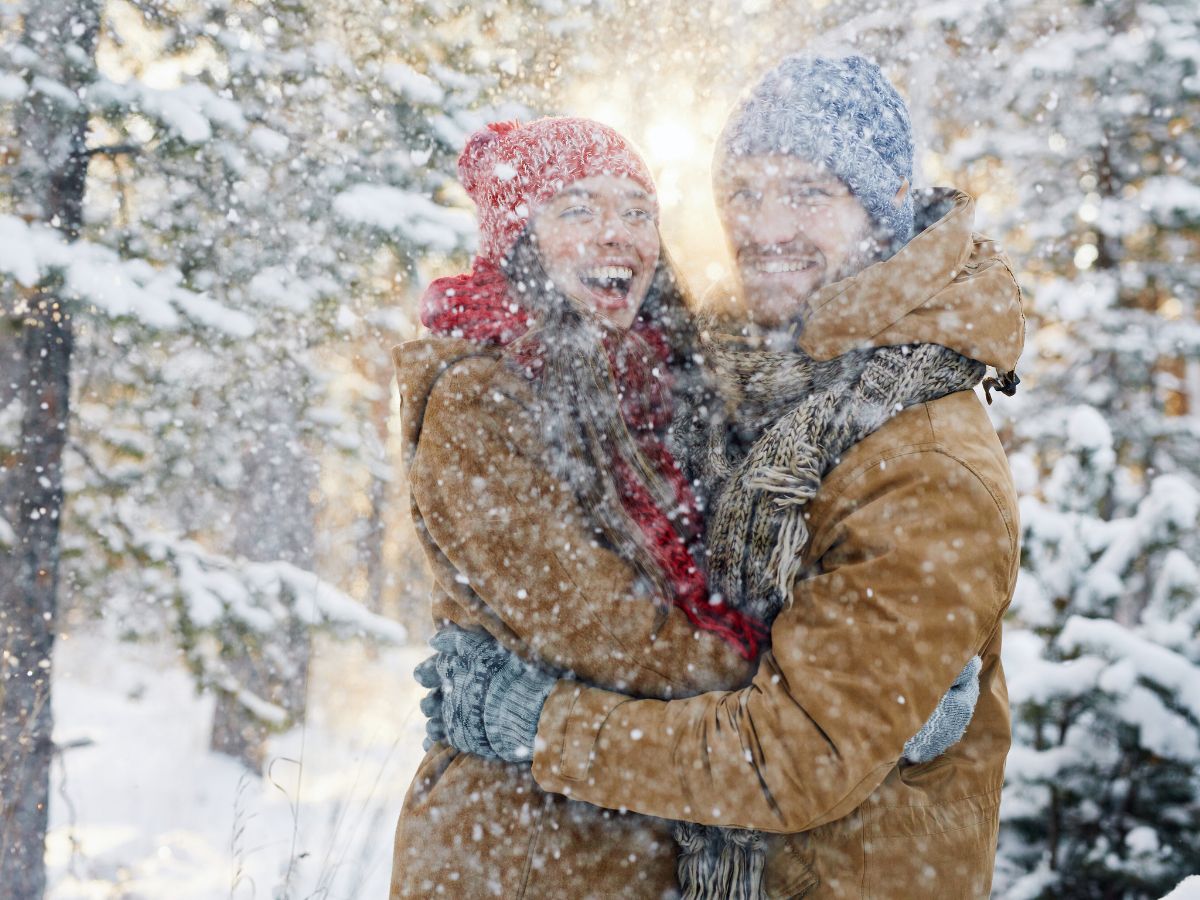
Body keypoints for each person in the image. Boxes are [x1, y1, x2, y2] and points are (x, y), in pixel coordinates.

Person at [423, 55, 1025, 898]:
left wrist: (540, 723)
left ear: (885, 205)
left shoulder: (926, 463)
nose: (766, 225)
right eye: (743, 191)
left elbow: (792, 754)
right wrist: (867, 705)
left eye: (809, 192)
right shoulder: (737, 374)